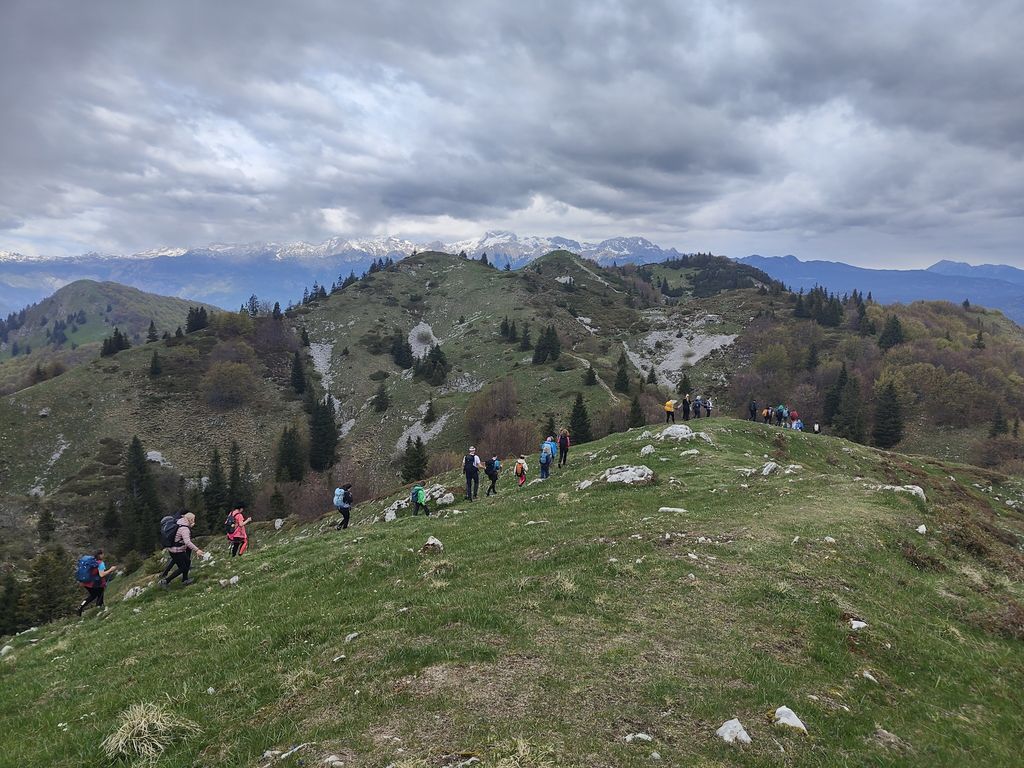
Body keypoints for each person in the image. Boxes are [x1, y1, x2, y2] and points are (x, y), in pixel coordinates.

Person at [159, 512, 205, 588]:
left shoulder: (180, 522)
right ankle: (165, 581)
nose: (194, 521)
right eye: (193, 519)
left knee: (187, 562)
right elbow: (187, 542)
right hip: (176, 551)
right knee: (182, 568)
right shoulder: (184, 529)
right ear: (190, 520)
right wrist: (197, 550)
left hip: (175, 549)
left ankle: (185, 579)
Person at [76, 550, 117, 616]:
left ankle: (81, 606)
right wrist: (110, 570)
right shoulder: (100, 563)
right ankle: (99, 608)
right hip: (95, 583)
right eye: (103, 554)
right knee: (100, 593)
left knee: (93, 595)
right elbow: (101, 575)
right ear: (100, 555)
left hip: (86, 583)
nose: (103, 555)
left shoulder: (91, 562)